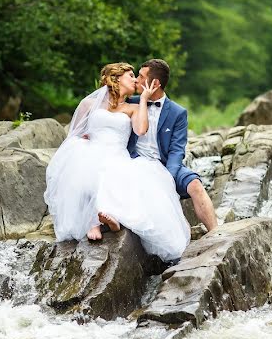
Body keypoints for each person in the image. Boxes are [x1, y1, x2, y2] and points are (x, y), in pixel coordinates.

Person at [43, 62, 190, 262]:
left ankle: (111, 220)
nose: (136, 80)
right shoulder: (90, 104)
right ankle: (92, 222)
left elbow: (140, 130)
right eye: (131, 76)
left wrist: (145, 98)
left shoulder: (133, 107)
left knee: (114, 173)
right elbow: (76, 133)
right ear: (117, 78)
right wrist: (83, 143)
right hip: (92, 149)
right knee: (85, 165)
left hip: (117, 154)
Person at [128, 59, 218, 233]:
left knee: (195, 185)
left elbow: (177, 150)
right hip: (136, 162)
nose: (136, 80)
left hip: (165, 165)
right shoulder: (131, 102)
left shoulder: (178, 112)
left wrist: (168, 177)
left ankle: (216, 234)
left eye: (140, 76)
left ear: (155, 83)